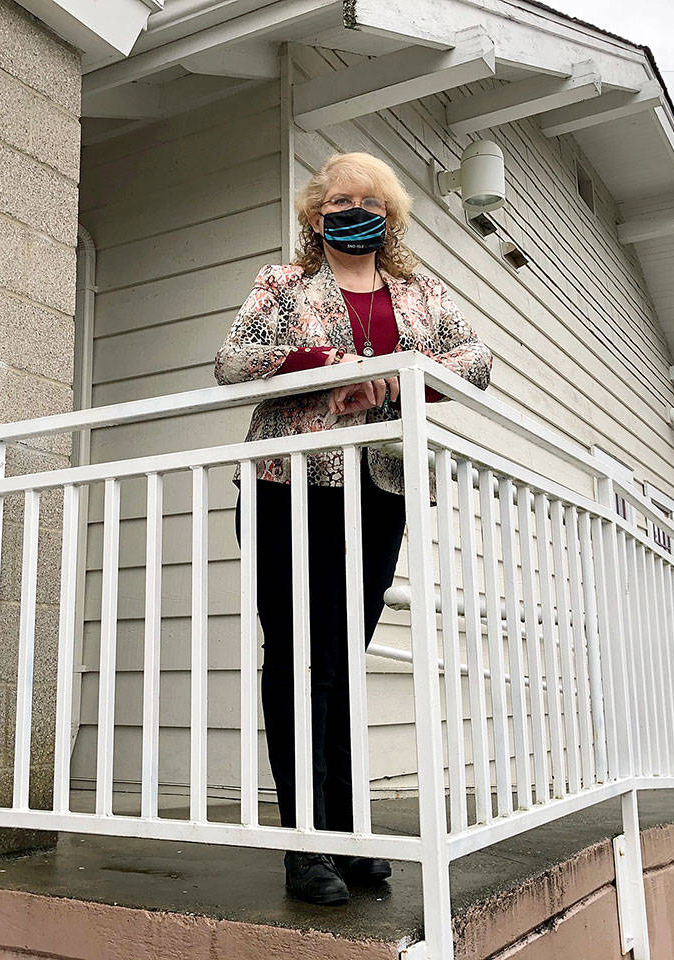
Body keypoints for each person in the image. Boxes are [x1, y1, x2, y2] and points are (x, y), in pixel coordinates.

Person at [213, 151, 495, 906]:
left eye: (368, 200)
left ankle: (344, 834)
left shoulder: (419, 293)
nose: (353, 210)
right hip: (287, 485)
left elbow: (476, 364)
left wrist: (399, 370)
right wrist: (329, 363)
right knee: (294, 652)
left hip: (378, 488)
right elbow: (232, 362)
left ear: (390, 213)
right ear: (315, 214)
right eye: (339, 199)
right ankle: (305, 845)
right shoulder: (284, 285)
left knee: (342, 656)